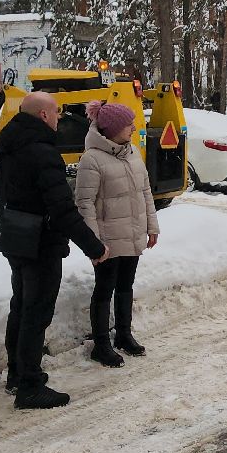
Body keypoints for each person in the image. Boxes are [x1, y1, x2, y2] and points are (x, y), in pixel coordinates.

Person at [0, 91, 110, 409]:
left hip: (16, 238)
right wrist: (93, 246)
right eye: (56, 112)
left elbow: (0, 193)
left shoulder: (8, 144)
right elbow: (62, 209)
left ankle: (17, 374)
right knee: (36, 313)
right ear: (44, 115)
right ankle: (29, 387)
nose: (59, 118)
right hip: (41, 243)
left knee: (21, 307)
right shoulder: (43, 152)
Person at [75, 100, 159, 368]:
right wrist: (94, 243)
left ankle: (124, 334)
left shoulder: (132, 151)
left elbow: (145, 191)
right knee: (104, 290)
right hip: (108, 240)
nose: (133, 128)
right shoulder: (92, 159)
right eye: (128, 125)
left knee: (125, 287)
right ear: (111, 129)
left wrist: (152, 226)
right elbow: (84, 203)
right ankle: (101, 345)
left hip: (132, 234)